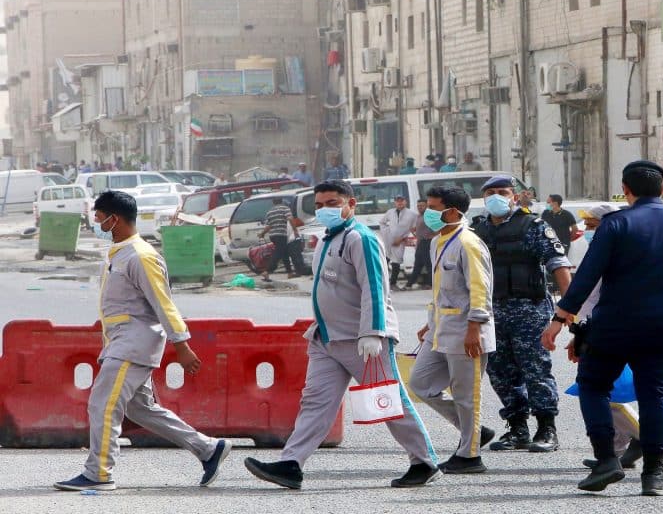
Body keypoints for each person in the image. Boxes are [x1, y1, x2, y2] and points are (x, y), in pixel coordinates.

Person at [244, 181, 439, 490]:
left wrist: (373, 332)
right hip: (327, 339)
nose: (325, 210)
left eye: (333, 203)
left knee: (389, 402)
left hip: (363, 341)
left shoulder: (361, 239)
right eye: (319, 205)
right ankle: (291, 464)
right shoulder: (326, 239)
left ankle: (424, 461)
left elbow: (374, 287)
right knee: (315, 402)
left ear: (351, 204)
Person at [543, 161, 663, 497]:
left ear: (626, 188)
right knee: (656, 394)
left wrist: (561, 318)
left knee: (593, 385)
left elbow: (588, 275)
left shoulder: (616, 224)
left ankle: (607, 459)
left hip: (616, 323)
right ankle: (653, 474)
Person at [54, 191, 231, 492]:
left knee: (103, 404)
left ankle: (98, 472)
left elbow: (164, 303)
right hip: (122, 342)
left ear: (115, 218)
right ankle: (208, 449)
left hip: (133, 345)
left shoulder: (141, 255)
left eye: (99, 217)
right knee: (140, 408)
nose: (96, 223)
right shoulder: (121, 253)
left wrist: (182, 345)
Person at [470, 175, 572, 454]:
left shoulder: (533, 225)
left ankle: (546, 428)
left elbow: (559, 265)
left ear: (515, 196)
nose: (496, 197)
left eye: (502, 192)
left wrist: (569, 309)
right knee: (500, 371)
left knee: (535, 369)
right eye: (490, 192)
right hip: (491, 311)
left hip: (529, 309)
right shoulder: (477, 229)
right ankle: (517, 428)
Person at [410, 185, 497, 474]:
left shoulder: (469, 243)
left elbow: (480, 290)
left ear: (451, 211)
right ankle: (474, 431)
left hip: (467, 332)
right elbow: (444, 291)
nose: (427, 212)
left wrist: (474, 328)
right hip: (441, 329)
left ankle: (470, 456)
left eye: (433, 207)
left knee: (466, 394)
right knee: (421, 383)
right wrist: (430, 323)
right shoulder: (438, 241)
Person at [567, 203, 643, 471]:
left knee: (602, 392)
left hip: (603, 331)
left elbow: (591, 298)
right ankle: (617, 448)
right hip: (594, 328)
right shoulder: (600, 249)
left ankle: (641, 436)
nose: (586, 231)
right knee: (607, 392)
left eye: (591, 226)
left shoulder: (609, 253)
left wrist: (579, 332)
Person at [380, 195, 418, 289]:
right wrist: (387, 234)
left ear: (405, 202)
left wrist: (402, 238)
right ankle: (382, 283)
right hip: (389, 240)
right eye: (397, 201)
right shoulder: (390, 212)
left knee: (396, 262)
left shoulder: (412, 214)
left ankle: (393, 283)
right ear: (395, 203)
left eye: (402, 201)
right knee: (384, 260)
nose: (400, 203)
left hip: (401, 241)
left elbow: (413, 228)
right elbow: (382, 222)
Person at [260, 197, 302, 281]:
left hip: (273, 235)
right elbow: (290, 219)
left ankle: (289, 273)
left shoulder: (270, 212)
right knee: (278, 253)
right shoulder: (285, 208)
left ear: (273, 202)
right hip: (281, 234)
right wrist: (295, 230)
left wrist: (262, 234)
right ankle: (267, 271)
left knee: (284, 253)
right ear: (282, 201)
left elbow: (269, 225)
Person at [404, 199, 438, 290]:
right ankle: (409, 284)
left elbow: (438, 229)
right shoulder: (419, 216)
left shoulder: (430, 216)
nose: (420, 207)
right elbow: (421, 228)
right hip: (420, 243)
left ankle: (430, 284)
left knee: (429, 264)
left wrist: (431, 237)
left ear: (427, 206)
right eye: (418, 206)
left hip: (428, 242)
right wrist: (415, 230)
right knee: (417, 265)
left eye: (422, 206)